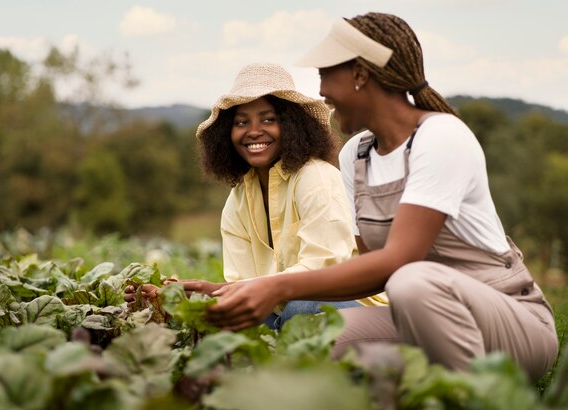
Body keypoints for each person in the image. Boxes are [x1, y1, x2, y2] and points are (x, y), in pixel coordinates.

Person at [204, 13, 558, 381]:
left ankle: (468, 396)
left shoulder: (440, 138)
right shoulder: (356, 156)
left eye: (326, 74)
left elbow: (399, 261)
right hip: (416, 317)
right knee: (320, 340)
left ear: (359, 75)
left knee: (411, 280)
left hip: (508, 325)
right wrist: (222, 292)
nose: (322, 90)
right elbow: (367, 275)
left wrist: (277, 285)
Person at [125, 62, 387, 330]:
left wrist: (214, 290)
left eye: (268, 119)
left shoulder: (315, 176)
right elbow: (245, 290)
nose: (253, 131)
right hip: (284, 309)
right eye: (241, 122)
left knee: (302, 306)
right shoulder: (239, 198)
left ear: (291, 125)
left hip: (349, 306)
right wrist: (179, 297)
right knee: (235, 317)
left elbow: (322, 272)